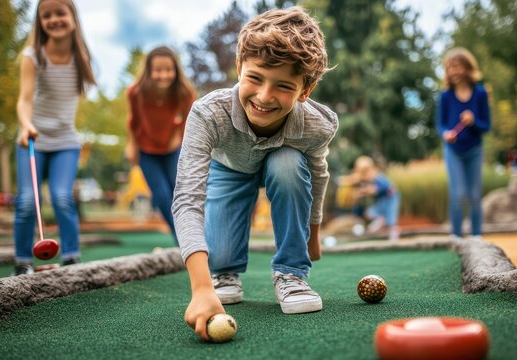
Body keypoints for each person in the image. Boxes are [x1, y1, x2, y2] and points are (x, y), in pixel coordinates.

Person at [172, 7, 337, 341]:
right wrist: (202, 287)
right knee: (220, 259)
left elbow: (318, 175)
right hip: (230, 168)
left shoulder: (318, 124)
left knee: (288, 164)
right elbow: (187, 199)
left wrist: (313, 233)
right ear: (239, 67)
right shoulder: (208, 114)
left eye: (284, 86)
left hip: (284, 163)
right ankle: (224, 272)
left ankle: (291, 274)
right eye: (255, 78)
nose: (264, 96)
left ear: (306, 90)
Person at [13, 0, 96, 275]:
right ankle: (22, 261)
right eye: (46, 15)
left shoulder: (81, 57)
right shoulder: (32, 56)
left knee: (62, 197)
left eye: (60, 12)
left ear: (73, 16)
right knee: (27, 201)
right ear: (40, 22)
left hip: (65, 142)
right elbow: (24, 101)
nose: (54, 19)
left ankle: (71, 258)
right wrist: (26, 125)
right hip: (33, 139)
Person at [125, 46, 196, 245]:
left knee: (179, 192)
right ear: (149, 71)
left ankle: (193, 237)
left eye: (168, 70)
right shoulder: (135, 93)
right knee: (162, 195)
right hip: (146, 150)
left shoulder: (184, 92)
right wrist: (131, 145)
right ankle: (183, 242)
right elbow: (133, 121)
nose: (163, 75)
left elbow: (189, 120)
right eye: (158, 70)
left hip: (172, 149)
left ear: (175, 70)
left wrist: (178, 137)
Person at [436, 47, 490, 240]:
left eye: (456, 67)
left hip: (474, 150)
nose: (452, 71)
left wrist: (473, 120)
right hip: (454, 151)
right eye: (449, 68)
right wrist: (446, 134)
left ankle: (477, 237)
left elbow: (486, 126)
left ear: (467, 68)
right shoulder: (445, 96)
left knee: (475, 195)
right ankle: (456, 237)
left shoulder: (480, 93)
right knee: (458, 195)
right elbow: (441, 125)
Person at [341, 156, 400, 241]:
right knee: (369, 213)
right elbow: (355, 179)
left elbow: (376, 189)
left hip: (391, 198)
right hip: (381, 199)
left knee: (391, 219)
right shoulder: (368, 178)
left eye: (365, 172)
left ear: (372, 169)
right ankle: (380, 220)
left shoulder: (379, 177)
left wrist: (362, 192)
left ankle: (393, 238)